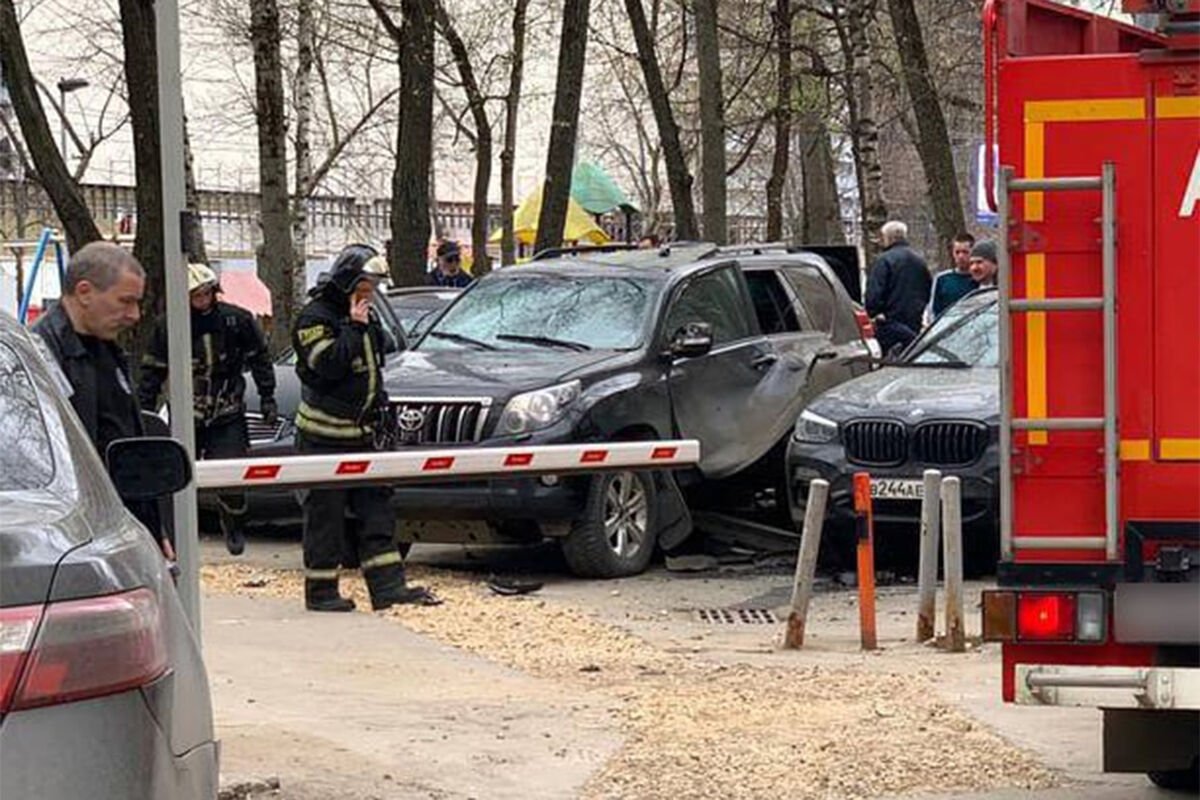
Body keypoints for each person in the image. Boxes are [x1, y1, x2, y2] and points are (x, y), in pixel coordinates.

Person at [293, 244, 439, 612]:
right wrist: (355, 329)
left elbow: (376, 362)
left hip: (365, 437)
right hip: (324, 438)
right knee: (325, 518)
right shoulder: (314, 319)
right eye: (366, 283)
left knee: (377, 512)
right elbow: (328, 366)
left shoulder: (364, 313)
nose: (371, 290)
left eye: (374, 283)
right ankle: (321, 592)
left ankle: (388, 588)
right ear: (347, 281)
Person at [31, 241, 172, 557]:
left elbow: (125, 441)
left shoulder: (106, 350)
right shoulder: (38, 357)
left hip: (121, 531)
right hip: (76, 541)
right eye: (126, 302)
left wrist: (153, 527)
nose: (134, 315)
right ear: (84, 292)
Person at [137, 263, 277, 556]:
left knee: (231, 473)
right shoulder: (169, 325)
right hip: (187, 412)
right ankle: (176, 532)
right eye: (194, 295)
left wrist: (267, 397)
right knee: (178, 474)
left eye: (205, 293)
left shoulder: (237, 321)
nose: (201, 300)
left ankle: (234, 520)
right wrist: (145, 411)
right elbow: (153, 370)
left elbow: (260, 358)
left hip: (227, 410)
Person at [865, 220, 933, 355]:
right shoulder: (919, 261)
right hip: (914, 321)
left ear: (888, 238)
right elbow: (927, 289)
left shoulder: (884, 261)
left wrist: (873, 313)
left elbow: (874, 294)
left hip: (889, 323)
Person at [929, 233, 979, 320]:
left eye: (965, 252)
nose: (961, 256)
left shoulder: (979, 279)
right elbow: (933, 312)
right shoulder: (942, 279)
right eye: (957, 252)